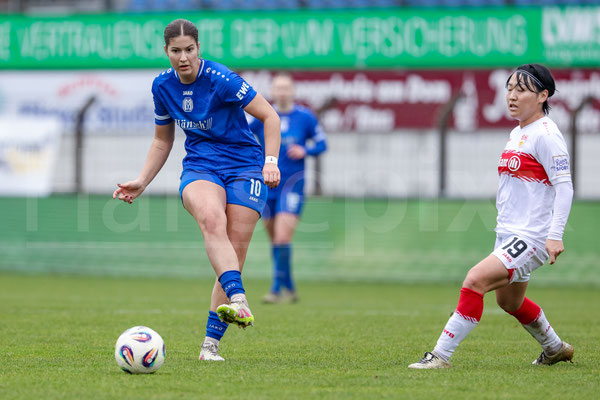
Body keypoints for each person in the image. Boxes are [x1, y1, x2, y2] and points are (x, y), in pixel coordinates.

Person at [113, 19, 281, 362]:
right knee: (210, 218)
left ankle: (210, 347)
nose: (183, 57)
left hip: (245, 167)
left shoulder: (222, 79)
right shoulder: (162, 86)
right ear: (166, 51)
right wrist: (142, 181)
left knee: (232, 254)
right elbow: (162, 141)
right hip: (201, 166)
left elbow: (270, 116)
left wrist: (271, 161)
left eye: (189, 49)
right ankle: (239, 299)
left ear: (198, 48)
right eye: (176, 51)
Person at [408, 64, 574, 369]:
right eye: (509, 89)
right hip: (509, 233)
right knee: (509, 302)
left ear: (543, 96)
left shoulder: (547, 135)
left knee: (475, 281)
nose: (511, 96)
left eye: (521, 90)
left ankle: (440, 355)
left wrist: (555, 235)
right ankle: (555, 348)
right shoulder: (518, 132)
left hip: (532, 235)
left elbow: (565, 187)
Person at [249, 73, 327, 304]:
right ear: (272, 91)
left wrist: (305, 150)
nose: (282, 92)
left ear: (293, 91)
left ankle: (275, 289)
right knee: (275, 239)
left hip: (293, 184)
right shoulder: (263, 115)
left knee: (283, 237)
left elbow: (322, 143)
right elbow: (244, 138)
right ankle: (290, 287)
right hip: (267, 184)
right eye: (278, 88)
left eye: (286, 88)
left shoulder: (305, 117)